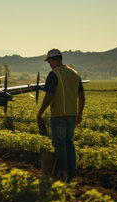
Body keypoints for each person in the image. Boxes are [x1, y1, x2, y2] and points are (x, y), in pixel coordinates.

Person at [37, 48, 85, 182]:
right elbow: (81, 96)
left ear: (52, 60)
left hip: (58, 115)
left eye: (49, 62)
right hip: (72, 115)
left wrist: (40, 112)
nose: (49, 64)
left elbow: (49, 95)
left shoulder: (54, 74)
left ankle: (62, 174)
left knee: (59, 145)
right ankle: (72, 172)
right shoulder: (75, 73)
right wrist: (79, 114)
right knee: (69, 142)